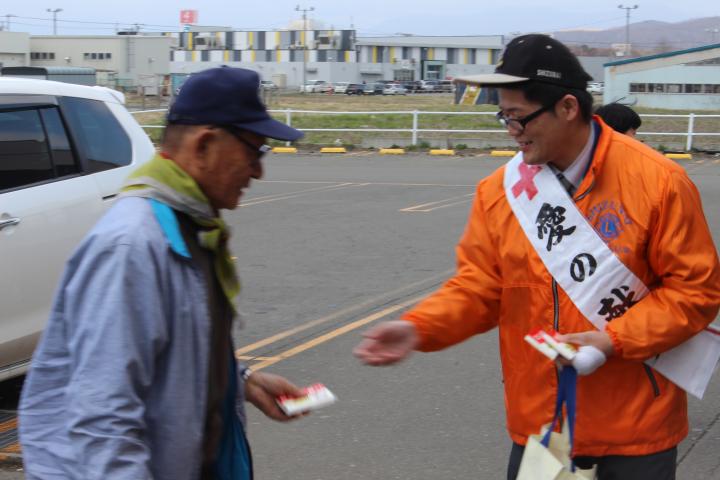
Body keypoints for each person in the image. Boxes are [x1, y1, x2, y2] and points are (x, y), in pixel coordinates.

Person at [354, 34, 720, 480]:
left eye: (519, 117)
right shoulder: (500, 191)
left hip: (636, 427)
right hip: (543, 425)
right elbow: (479, 287)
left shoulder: (658, 182)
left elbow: (695, 292)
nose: (510, 130)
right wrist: (419, 327)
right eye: (503, 116)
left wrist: (612, 340)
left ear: (568, 108)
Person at [19, 67, 306, 480]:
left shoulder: (190, 226)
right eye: (254, 151)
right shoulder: (132, 246)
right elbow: (103, 421)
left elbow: (171, 345)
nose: (258, 171)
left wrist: (240, 381)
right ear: (206, 144)